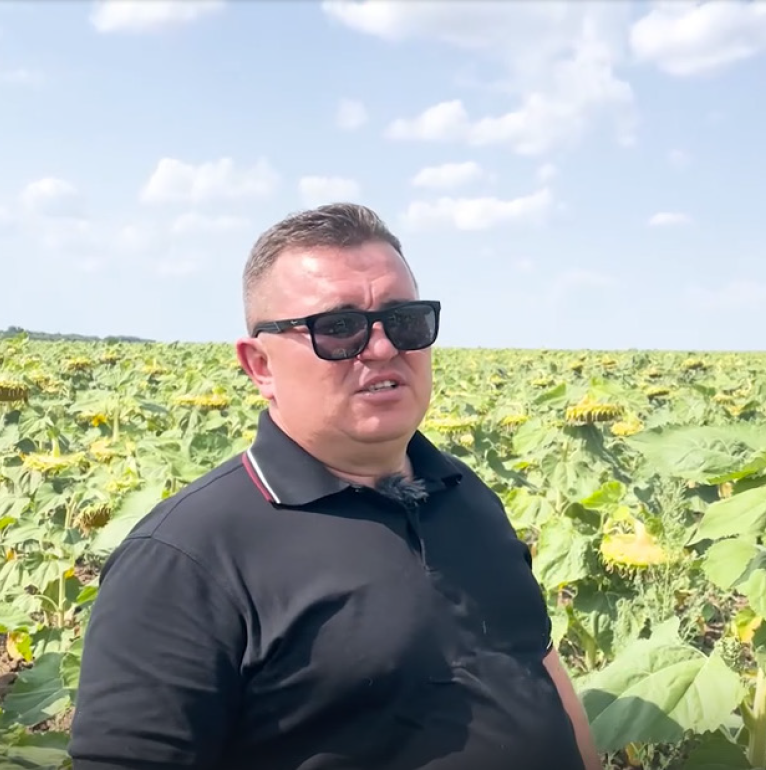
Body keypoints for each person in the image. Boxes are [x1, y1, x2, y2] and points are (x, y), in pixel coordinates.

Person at [67, 203, 602, 770]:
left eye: (405, 320)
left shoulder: (464, 492)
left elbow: (536, 661)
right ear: (260, 365)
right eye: (339, 329)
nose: (383, 348)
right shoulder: (186, 557)